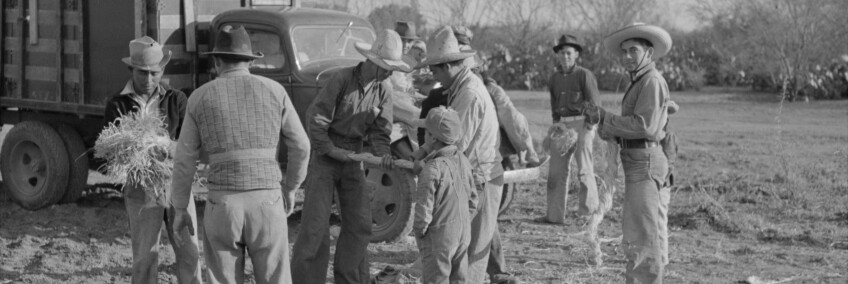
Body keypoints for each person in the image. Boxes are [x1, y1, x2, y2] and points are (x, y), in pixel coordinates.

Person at [170, 25, 311, 283]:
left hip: (222, 206)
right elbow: (302, 146)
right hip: (268, 203)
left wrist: (180, 208)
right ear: (249, 60)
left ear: (216, 61)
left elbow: (184, 160)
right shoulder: (275, 91)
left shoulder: (199, 98)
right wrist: (290, 188)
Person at [290, 29, 409, 284]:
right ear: (373, 62)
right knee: (315, 228)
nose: (390, 73)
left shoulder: (384, 90)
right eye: (387, 67)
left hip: (355, 157)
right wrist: (331, 150)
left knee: (360, 225)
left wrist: (384, 155)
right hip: (325, 158)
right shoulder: (341, 79)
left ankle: (350, 280)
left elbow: (380, 133)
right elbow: (316, 119)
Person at [102, 36, 200, 284]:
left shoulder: (177, 100)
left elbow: (188, 145)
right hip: (141, 190)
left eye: (154, 73)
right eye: (142, 73)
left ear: (163, 69)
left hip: (178, 186)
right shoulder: (117, 104)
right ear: (130, 70)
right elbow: (115, 154)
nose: (148, 80)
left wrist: (164, 145)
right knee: (144, 259)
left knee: (189, 254)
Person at [584, 23, 673, 283]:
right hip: (637, 163)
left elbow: (644, 126)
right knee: (640, 231)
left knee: (641, 234)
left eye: (633, 50)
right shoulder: (641, 81)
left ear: (649, 52)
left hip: (645, 163)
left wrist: (605, 118)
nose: (627, 57)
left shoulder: (651, 81)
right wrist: (604, 123)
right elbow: (636, 126)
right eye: (623, 52)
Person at [415, 25, 505, 284]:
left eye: (435, 70)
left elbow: (453, 144)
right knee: (462, 253)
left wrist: (423, 161)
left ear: (449, 66)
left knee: (472, 258)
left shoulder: (468, 94)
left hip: (480, 177)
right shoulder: (459, 86)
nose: (434, 76)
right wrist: (421, 151)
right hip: (471, 175)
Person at [413, 106, 478, 284]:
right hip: (464, 233)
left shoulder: (432, 168)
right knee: (459, 278)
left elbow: (423, 210)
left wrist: (420, 233)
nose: (424, 136)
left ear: (433, 137)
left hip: (440, 237)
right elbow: (473, 200)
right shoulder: (464, 160)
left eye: (426, 132)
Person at [545, 34, 602, 224]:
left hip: (582, 123)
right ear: (558, 55)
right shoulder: (554, 78)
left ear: (576, 54)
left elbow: (594, 104)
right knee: (556, 172)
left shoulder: (584, 75)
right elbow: (554, 106)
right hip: (562, 125)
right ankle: (554, 217)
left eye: (569, 53)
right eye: (562, 53)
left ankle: (588, 215)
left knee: (584, 170)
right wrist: (556, 124)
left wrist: (590, 126)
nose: (565, 57)